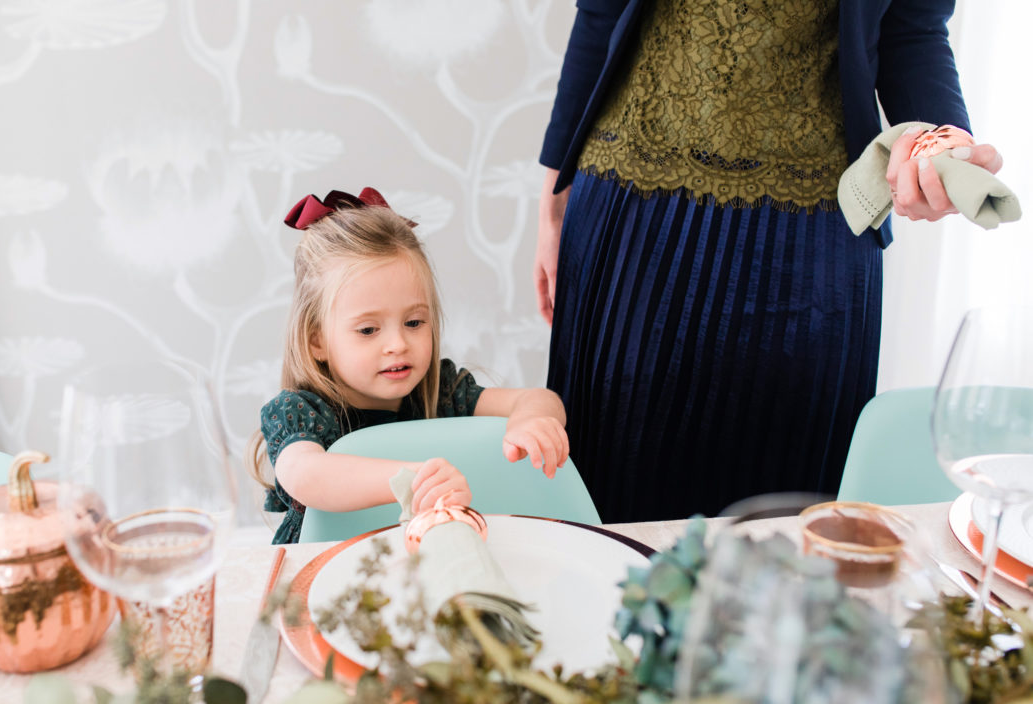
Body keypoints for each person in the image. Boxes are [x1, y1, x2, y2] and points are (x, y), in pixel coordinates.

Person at [534, 0, 1004, 522]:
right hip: (630, 215)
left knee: (781, 532)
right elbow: (600, 11)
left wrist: (941, 145)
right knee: (610, 512)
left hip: (811, 243)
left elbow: (912, 27)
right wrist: (553, 203)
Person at [247, 188, 570, 544]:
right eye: (368, 330)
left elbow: (539, 399)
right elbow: (307, 476)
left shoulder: (440, 392)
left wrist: (532, 420)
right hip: (326, 573)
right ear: (317, 340)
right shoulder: (301, 411)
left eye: (414, 323)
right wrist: (412, 478)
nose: (398, 344)